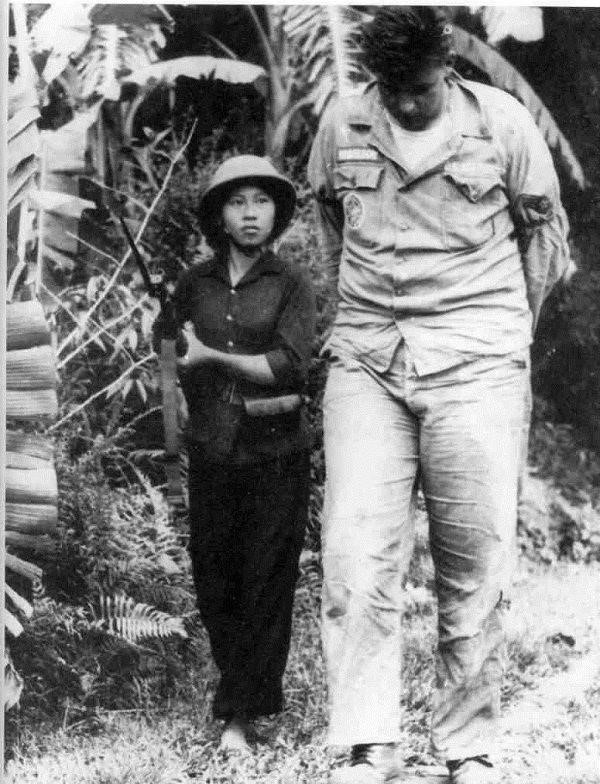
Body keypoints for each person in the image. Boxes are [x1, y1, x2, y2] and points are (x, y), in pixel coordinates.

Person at [307, 7, 571, 784]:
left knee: (475, 559)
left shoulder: (503, 123)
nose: (407, 103)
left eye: (420, 88)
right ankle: (368, 743)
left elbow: (543, 236)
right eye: (393, 89)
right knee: (354, 554)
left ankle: (470, 745)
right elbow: (332, 223)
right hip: (368, 357)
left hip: (478, 359)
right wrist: (350, 314)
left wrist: (501, 329)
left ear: (446, 65)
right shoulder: (343, 123)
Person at [154, 155, 316, 752]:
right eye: (237, 202)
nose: (250, 213)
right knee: (214, 579)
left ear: (277, 213)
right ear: (219, 215)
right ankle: (239, 696)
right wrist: (171, 340)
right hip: (214, 450)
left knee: (265, 581)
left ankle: (240, 714)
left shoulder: (291, 285)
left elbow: (287, 365)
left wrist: (213, 357)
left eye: (262, 201)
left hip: (276, 453)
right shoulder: (194, 283)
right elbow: (168, 345)